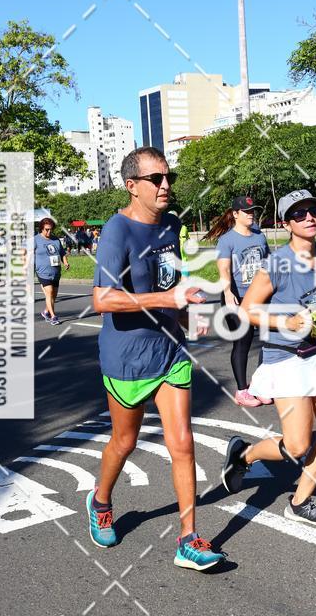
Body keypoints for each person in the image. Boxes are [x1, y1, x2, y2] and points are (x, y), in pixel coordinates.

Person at [90, 145, 224, 572]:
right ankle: (100, 501)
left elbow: (172, 279)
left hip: (170, 351)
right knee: (124, 442)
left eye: (169, 178)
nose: (166, 185)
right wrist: (167, 297)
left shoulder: (170, 225)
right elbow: (103, 299)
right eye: (155, 179)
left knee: (182, 444)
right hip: (127, 356)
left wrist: (188, 308)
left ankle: (188, 539)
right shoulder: (117, 230)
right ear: (132, 186)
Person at [221, 188, 316, 527]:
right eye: (299, 214)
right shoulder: (275, 264)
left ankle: (300, 502)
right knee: (297, 446)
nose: (309, 217)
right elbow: (247, 310)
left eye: (313, 210)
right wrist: (284, 320)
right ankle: (244, 455)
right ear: (287, 224)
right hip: (285, 356)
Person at [205, 196, 271, 407]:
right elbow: (223, 268)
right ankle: (242, 391)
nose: (251, 214)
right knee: (243, 341)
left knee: (270, 339)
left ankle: (259, 384)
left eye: (253, 211)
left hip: (260, 296)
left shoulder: (259, 235)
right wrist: (227, 292)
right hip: (236, 296)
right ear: (235, 214)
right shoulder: (227, 240)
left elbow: (268, 262)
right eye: (246, 211)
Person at [34, 217, 69, 325]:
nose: (49, 232)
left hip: (56, 272)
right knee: (49, 293)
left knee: (53, 295)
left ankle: (46, 312)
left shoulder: (55, 240)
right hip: (43, 272)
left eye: (50, 229)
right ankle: (53, 316)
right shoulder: (35, 239)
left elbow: (62, 253)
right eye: (46, 229)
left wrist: (66, 262)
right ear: (41, 229)